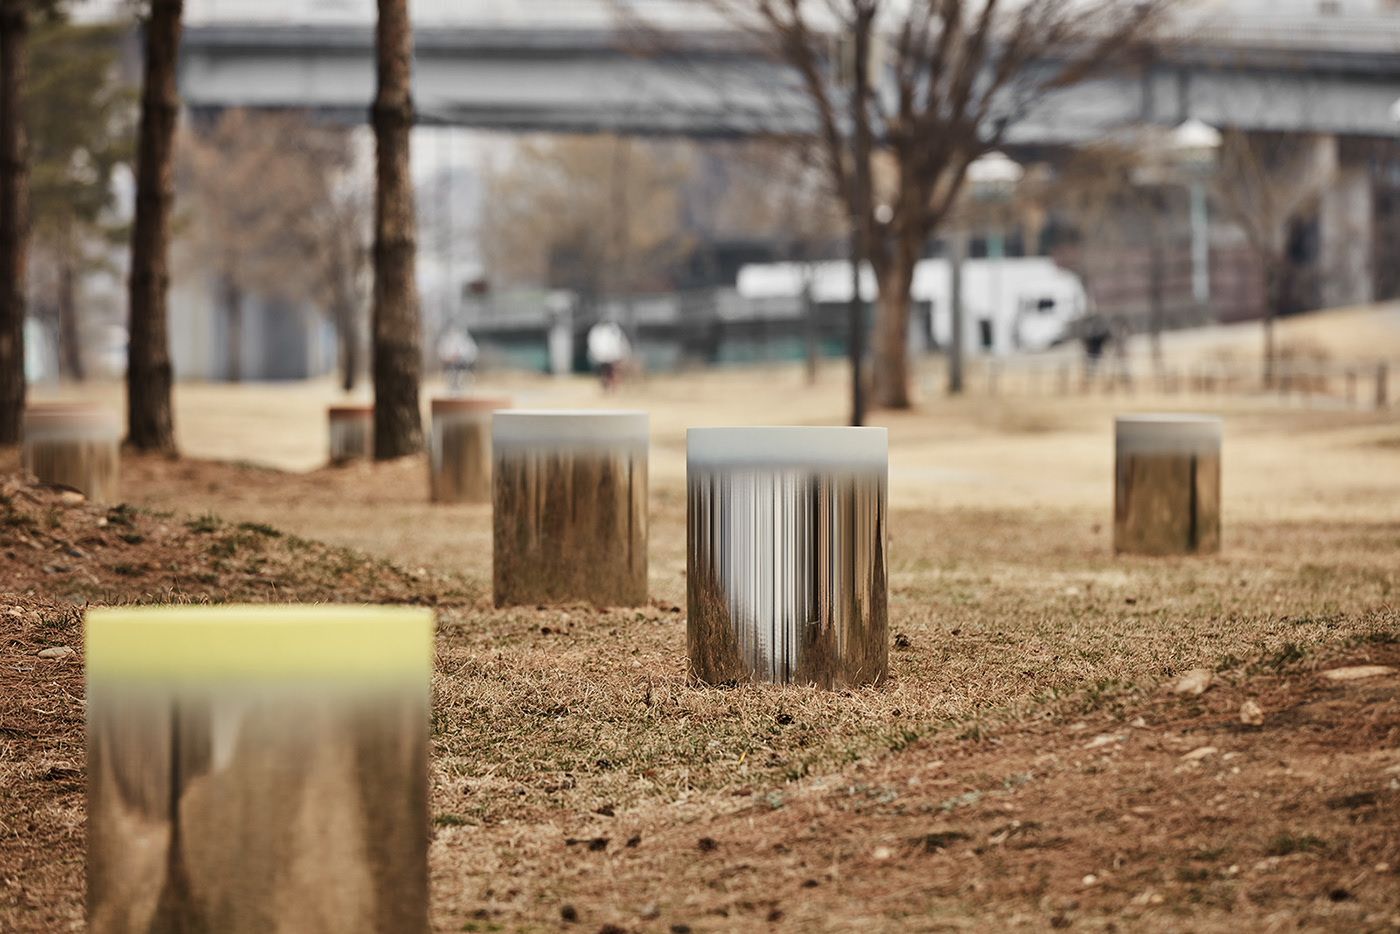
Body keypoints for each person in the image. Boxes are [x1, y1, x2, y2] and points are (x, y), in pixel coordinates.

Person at [586, 320, 630, 391]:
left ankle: (613, 386)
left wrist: (619, 353)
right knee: (604, 372)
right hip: (602, 356)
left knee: (612, 372)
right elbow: (593, 344)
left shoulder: (613, 330)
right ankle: (607, 385)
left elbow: (618, 343)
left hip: (612, 356)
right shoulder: (596, 331)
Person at [437, 327, 477, 392]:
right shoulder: (446, 340)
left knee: (461, 375)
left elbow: (469, 353)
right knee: (451, 374)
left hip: (462, 364)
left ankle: (461, 387)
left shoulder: (465, 341)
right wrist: (449, 358)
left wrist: (458, 357)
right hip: (450, 364)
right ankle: (452, 387)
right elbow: (443, 353)